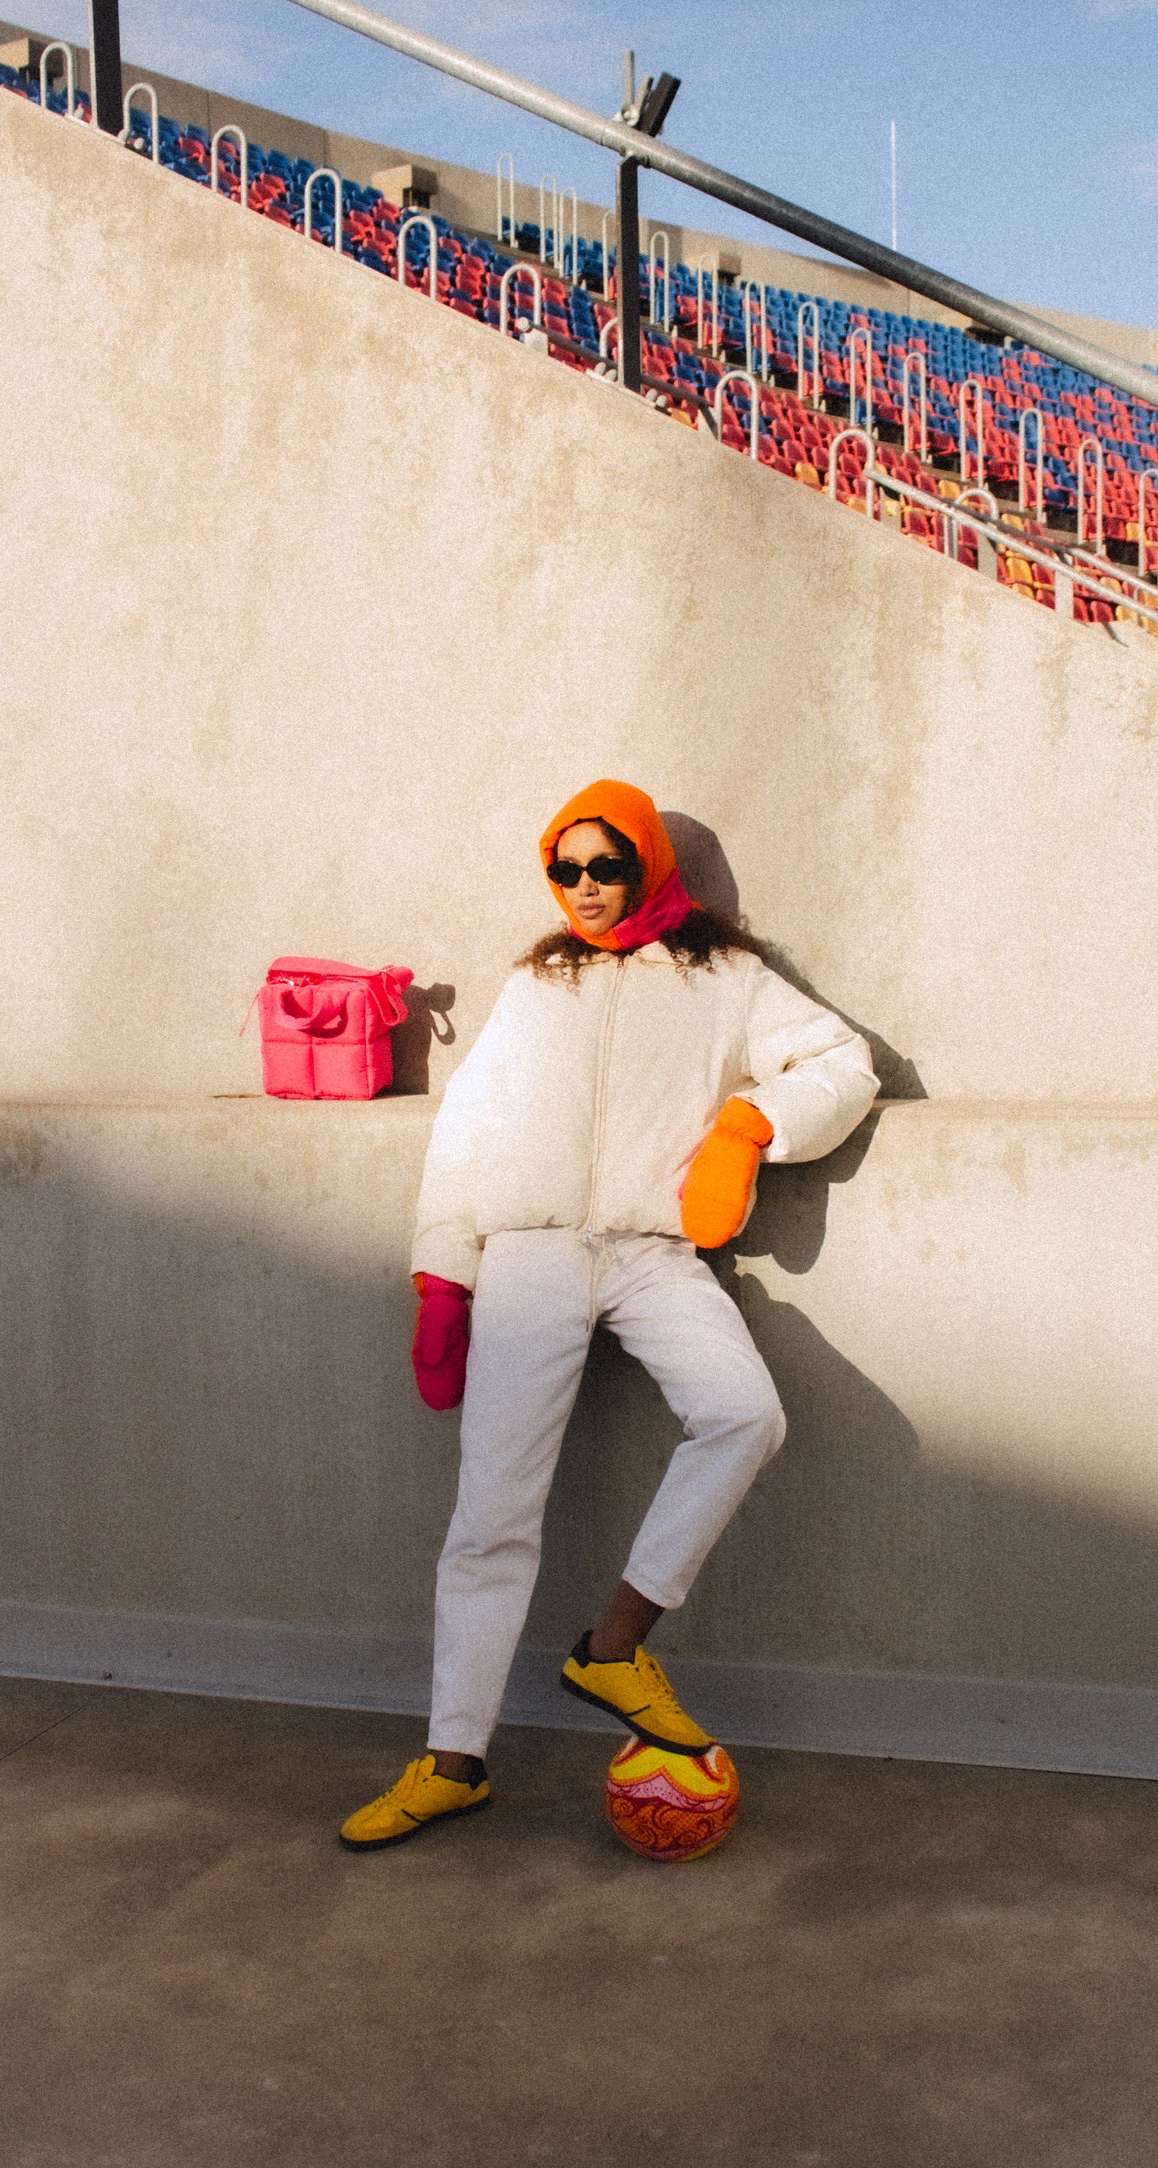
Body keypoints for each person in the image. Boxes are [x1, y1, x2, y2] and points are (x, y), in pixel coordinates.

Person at [339, 780, 878, 1849]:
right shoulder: (537, 984)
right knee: (491, 1513)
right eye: (565, 868)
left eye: (606, 865)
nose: (585, 888)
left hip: (651, 1252)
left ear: (647, 866)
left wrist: (748, 1126)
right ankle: (452, 1759)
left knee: (743, 1414)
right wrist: (442, 1273)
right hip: (530, 1254)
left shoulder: (724, 974)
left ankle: (614, 1645)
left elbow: (841, 1063)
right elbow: (467, 1126)